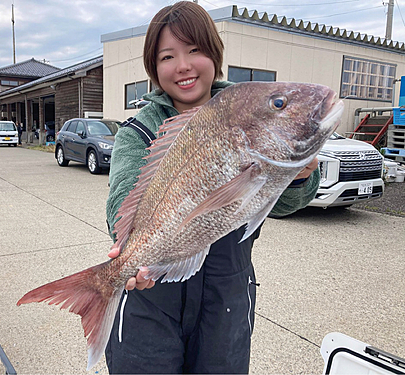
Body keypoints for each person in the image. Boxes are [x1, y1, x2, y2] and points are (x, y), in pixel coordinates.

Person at [105, 2, 320, 373]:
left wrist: (300, 176)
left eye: (195, 50)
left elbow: (280, 204)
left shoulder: (247, 111)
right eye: (167, 56)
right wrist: (130, 255)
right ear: (154, 69)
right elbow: (123, 200)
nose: (183, 65)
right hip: (150, 301)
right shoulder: (137, 132)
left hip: (227, 302)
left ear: (214, 55)